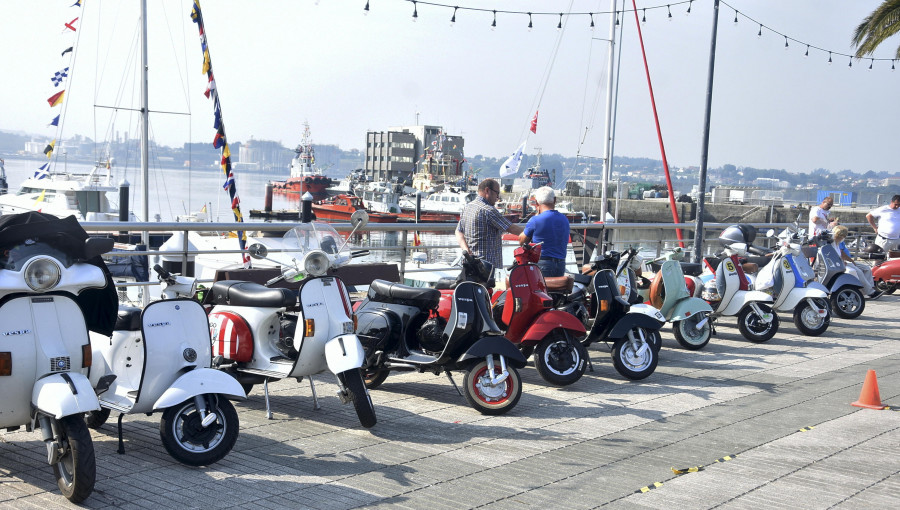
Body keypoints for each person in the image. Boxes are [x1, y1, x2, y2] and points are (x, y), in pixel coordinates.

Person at [456, 178, 523, 269]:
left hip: (470, 262)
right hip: (486, 266)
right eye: (497, 193)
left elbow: (458, 232)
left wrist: (465, 249)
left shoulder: (468, 207)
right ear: (487, 190)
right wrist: (530, 234)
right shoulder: (488, 210)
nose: (498, 197)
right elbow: (510, 228)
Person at [517, 186, 571, 277]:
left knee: (540, 290)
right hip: (561, 263)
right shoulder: (564, 219)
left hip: (543, 262)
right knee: (557, 290)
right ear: (554, 200)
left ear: (537, 202)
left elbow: (522, 241)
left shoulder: (535, 220)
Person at [832, 225, 881, 299]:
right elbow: (839, 255)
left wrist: (851, 261)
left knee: (867, 268)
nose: (844, 238)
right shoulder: (832, 243)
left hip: (845, 261)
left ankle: (868, 290)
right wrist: (849, 261)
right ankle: (871, 292)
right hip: (841, 263)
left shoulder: (838, 243)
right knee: (858, 272)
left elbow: (842, 254)